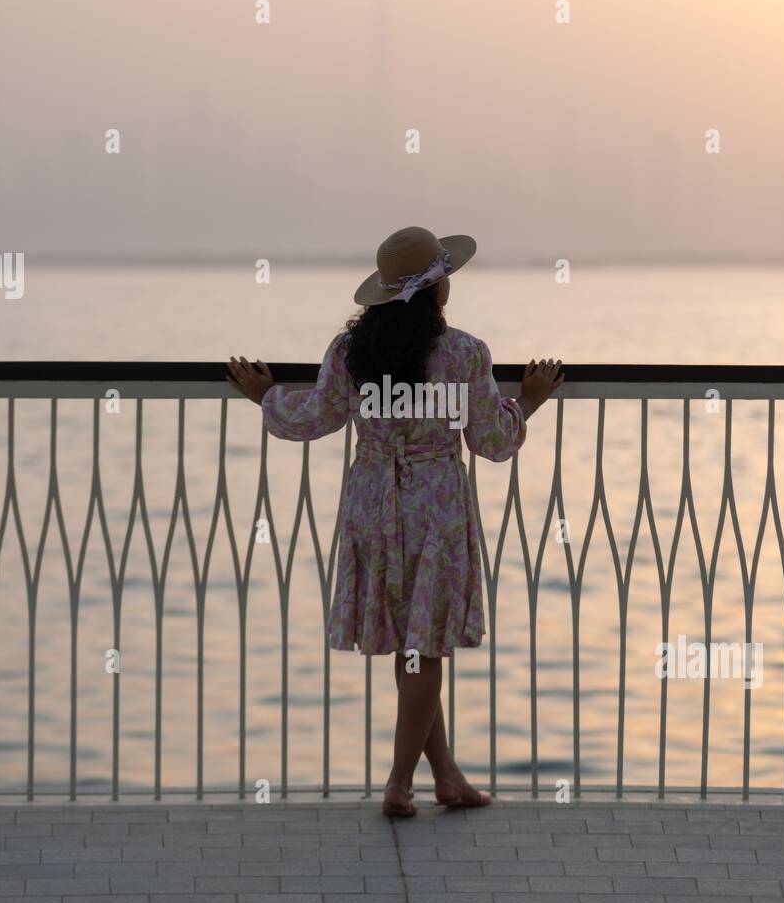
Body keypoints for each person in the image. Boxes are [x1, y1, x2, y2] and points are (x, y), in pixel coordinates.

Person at [227, 226, 562, 816]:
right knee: (425, 646)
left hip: (373, 496)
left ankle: (448, 778)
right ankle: (399, 783)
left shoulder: (352, 352)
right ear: (439, 289)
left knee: (411, 644)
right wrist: (529, 399)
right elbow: (491, 440)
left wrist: (265, 395)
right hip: (435, 500)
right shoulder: (464, 353)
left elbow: (313, 420)